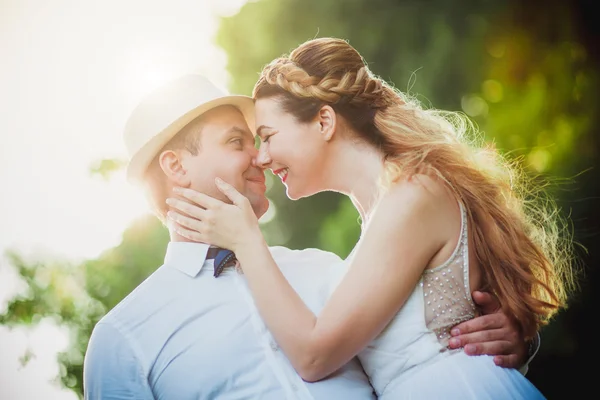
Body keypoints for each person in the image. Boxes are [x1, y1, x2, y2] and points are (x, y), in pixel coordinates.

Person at [166, 38, 574, 399]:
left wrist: (247, 243)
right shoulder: (386, 210)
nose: (263, 157)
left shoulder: (414, 195)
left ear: (324, 121)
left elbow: (314, 355)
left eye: (268, 136)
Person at [83, 74, 533, 400]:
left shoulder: (325, 271)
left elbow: (418, 340)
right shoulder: (125, 340)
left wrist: (511, 338)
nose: (261, 159)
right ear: (177, 167)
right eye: (237, 142)